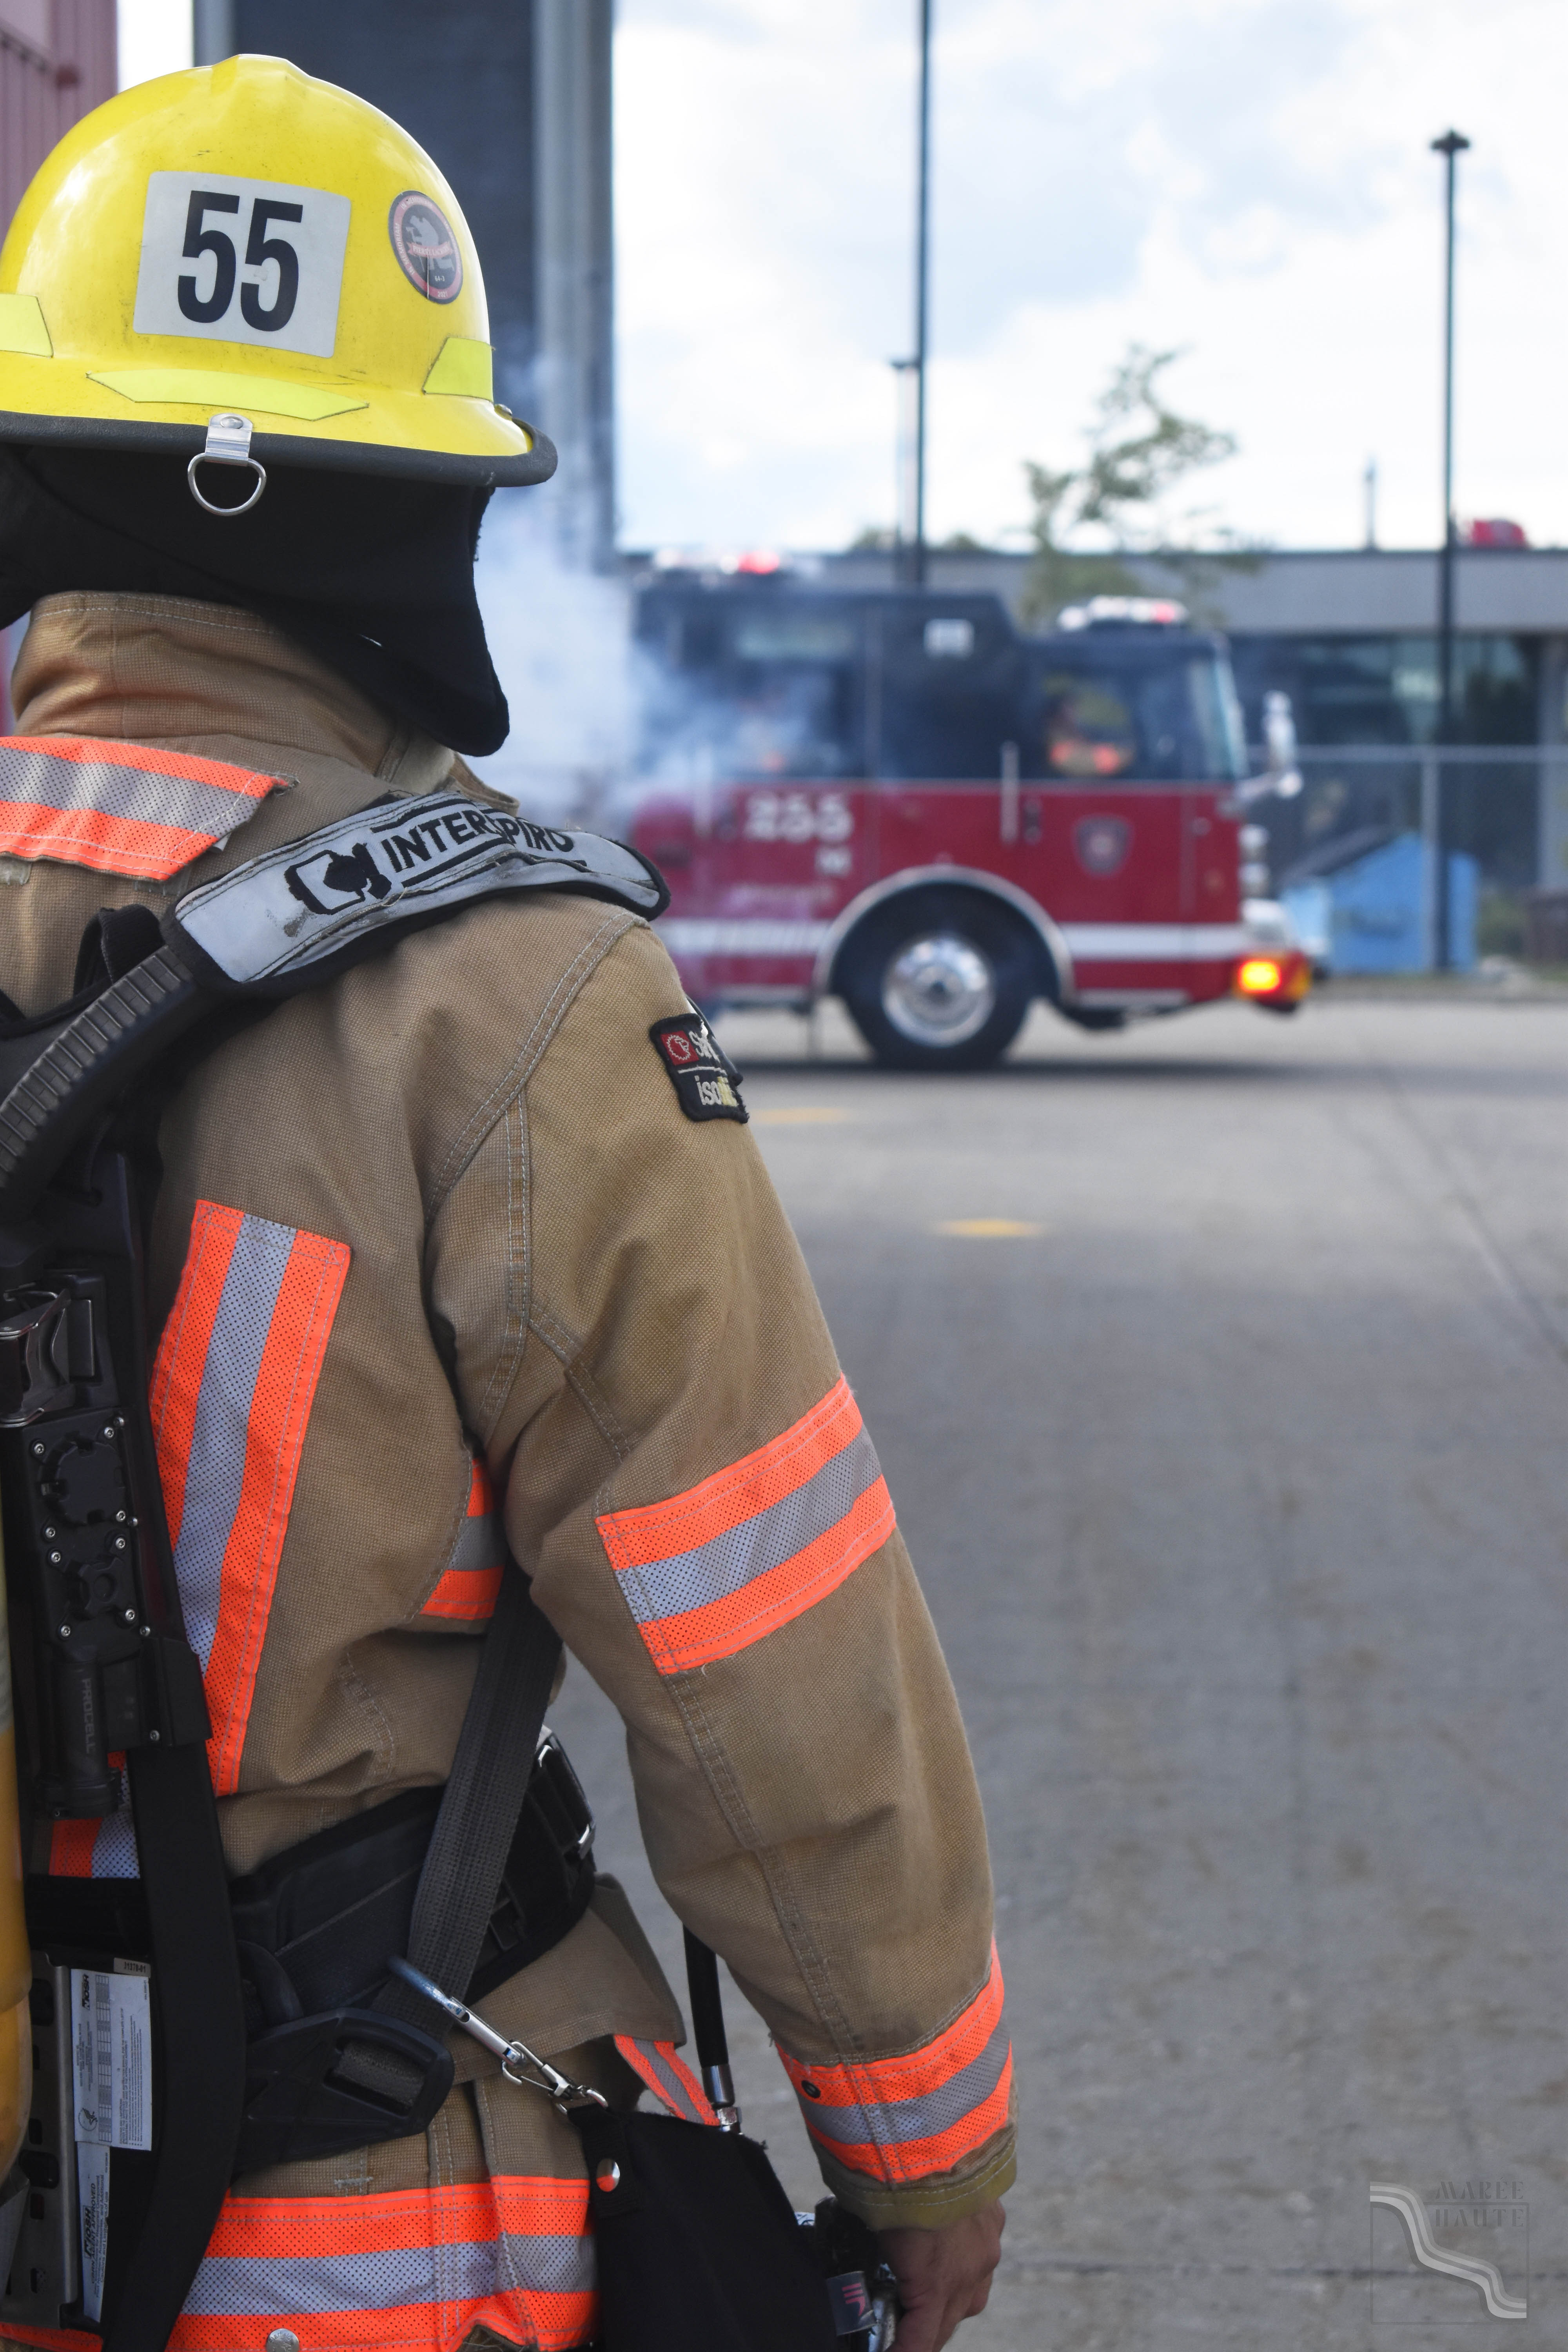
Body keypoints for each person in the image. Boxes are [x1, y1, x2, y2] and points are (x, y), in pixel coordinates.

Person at [0, 56, 1013, 2352]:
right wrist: (924, 2144)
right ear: (414, 506)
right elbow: (764, 1648)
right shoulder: (516, 993)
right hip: (353, 2232)